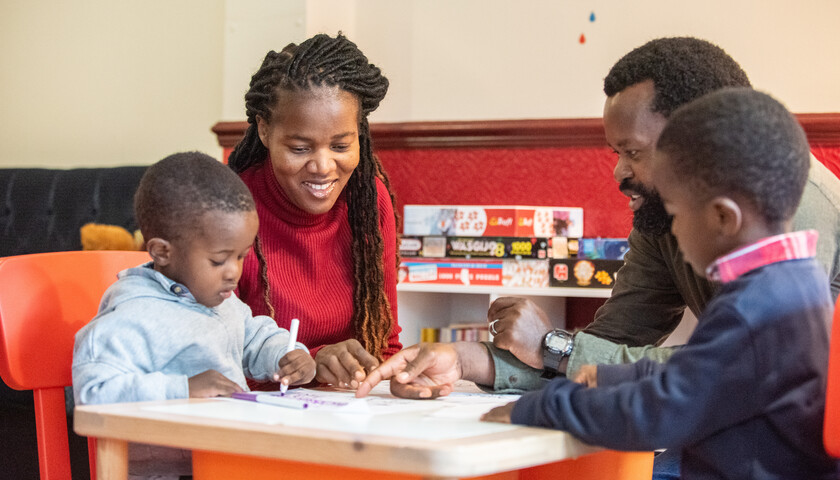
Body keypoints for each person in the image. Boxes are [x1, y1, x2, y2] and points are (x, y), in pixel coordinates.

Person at [373, 88, 840, 479]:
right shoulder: (795, 284)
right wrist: (602, 375)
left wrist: (546, 407)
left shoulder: (751, 308)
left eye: (676, 215)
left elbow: (659, 410)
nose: (672, 231)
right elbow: (693, 374)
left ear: (722, 217)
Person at [73, 152, 316, 479]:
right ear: (162, 252)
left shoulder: (221, 300)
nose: (234, 273)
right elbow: (93, 393)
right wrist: (183, 388)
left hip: (226, 461)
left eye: (241, 256)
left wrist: (287, 354)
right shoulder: (132, 315)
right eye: (219, 261)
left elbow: (254, 336)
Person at [227, 33, 401, 391]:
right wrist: (308, 360)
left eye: (341, 145)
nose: (323, 166)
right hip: (251, 420)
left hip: (343, 415)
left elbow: (384, 339)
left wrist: (396, 374)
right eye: (300, 147)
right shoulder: (228, 211)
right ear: (264, 130)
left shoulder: (369, 203)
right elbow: (207, 357)